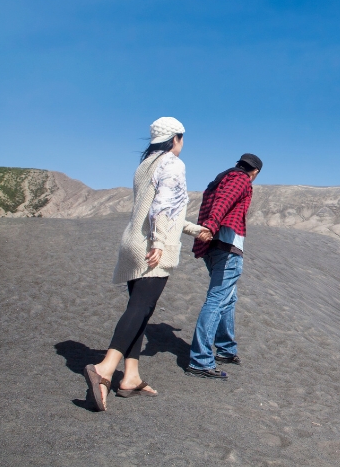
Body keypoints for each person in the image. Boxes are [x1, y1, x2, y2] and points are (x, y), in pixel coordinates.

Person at [85, 117, 213, 411]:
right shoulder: (172, 163)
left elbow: (163, 210)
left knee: (140, 309)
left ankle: (130, 377)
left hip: (132, 242)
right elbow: (162, 207)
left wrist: (195, 229)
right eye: (182, 139)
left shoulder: (145, 165)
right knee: (141, 308)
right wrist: (158, 242)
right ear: (176, 138)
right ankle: (105, 369)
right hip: (151, 247)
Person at [185, 153, 262, 379]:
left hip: (213, 248)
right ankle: (200, 361)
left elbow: (216, 202)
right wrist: (209, 225)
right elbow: (223, 203)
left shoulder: (220, 179)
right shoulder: (240, 180)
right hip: (227, 248)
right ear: (255, 172)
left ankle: (226, 349)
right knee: (217, 300)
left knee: (228, 298)